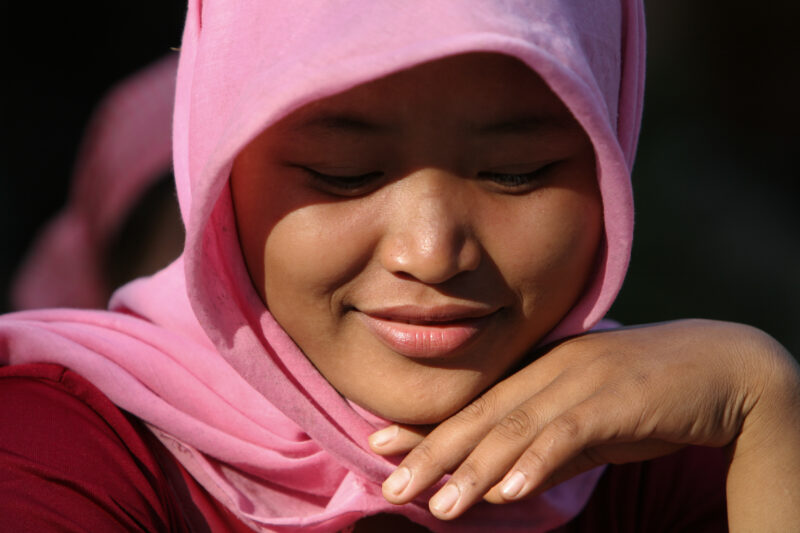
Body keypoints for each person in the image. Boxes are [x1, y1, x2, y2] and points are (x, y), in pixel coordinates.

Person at [1, 1, 798, 532]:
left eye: (516, 171)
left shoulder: (655, 454)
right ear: (216, 168)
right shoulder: (64, 451)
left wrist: (772, 416)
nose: (429, 253)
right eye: (344, 172)